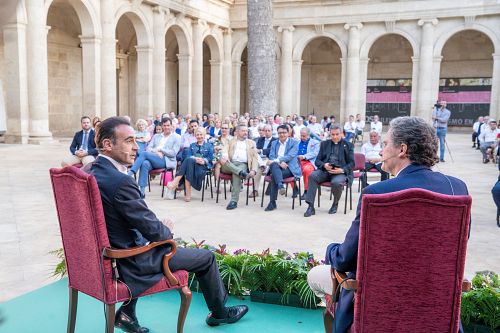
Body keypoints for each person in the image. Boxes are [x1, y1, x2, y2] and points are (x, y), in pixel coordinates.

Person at [306, 116, 469, 333]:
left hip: (378, 311)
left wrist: (331, 250)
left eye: (385, 144)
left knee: (315, 275)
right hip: (436, 309)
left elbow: (345, 259)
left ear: (402, 149)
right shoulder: (457, 188)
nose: (381, 151)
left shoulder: (377, 192)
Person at [89, 117, 248, 332]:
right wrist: (167, 230)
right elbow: (155, 232)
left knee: (148, 235)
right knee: (206, 258)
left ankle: (126, 314)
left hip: (104, 255)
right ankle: (219, 314)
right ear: (108, 145)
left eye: (135, 140)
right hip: (133, 261)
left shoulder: (89, 171)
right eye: (128, 141)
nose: (136, 147)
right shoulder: (121, 181)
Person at [303, 124, 354, 217]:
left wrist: (342, 170)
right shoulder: (324, 144)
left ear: (342, 134)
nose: (334, 137)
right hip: (325, 170)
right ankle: (310, 207)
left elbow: (352, 163)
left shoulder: (348, 145)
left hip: (339, 171)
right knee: (312, 176)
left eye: (337, 134)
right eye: (332, 134)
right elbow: (317, 160)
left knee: (337, 183)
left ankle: (335, 203)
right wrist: (324, 165)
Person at [128, 118, 180, 198]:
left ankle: (130, 173)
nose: (166, 127)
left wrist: (161, 150)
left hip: (166, 160)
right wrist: (156, 152)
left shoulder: (176, 137)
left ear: (171, 126)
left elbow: (173, 153)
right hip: (154, 158)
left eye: (168, 125)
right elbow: (149, 148)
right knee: (145, 163)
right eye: (164, 125)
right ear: (162, 126)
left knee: (144, 154)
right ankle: (142, 193)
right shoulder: (156, 136)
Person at [167, 127, 213, 201]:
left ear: (204, 135)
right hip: (192, 165)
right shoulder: (192, 145)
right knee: (189, 162)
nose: (199, 136)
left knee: (188, 163)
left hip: (202, 167)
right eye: (197, 135)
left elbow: (210, 158)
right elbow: (189, 155)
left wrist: (203, 161)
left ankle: (176, 182)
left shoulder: (209, 145)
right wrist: (195, 159)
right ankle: (186, 192)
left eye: (201, 134)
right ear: (195, 136)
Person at [220, 124, 260, 210]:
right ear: (237, 132)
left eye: (246, 131)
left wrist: (253, 170)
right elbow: (225, 149)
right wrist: (225, 155)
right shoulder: (230, 140)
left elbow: (255, 158)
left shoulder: (251, 143)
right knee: (225, 162)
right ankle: (242, 173)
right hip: (229, 164)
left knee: (236, 174)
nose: (245, 132)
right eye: (243, 131)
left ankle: (233, 201)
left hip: (243, 164)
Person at [263, 125, 302, 211]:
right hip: (277, 167)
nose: (282, 135)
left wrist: (277, 161)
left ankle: (272, 203)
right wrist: (279, 163)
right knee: (274, 168)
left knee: (274, 174)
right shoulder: (274, 143)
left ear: (288, 133)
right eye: (280, 133)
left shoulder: (295, 142)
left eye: (284, 132)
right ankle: (280, 186)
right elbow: (271, 156)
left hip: (289, 168)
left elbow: (290, 156)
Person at [297, 127, 320, 198]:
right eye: (301, 135)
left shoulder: (315, 142)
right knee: (289, 169)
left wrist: (304, 156)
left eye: (304, 136)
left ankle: (307, 191)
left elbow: (315, 153)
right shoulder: (297, 142)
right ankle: (295, 189)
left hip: (309, 162)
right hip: (297, 161)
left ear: (308, 135)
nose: (302, 137)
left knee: (306, 170)